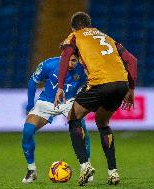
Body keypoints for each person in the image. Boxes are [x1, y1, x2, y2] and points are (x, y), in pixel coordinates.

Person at [54, 12, 137, 186]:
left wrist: (60, 87)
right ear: (89, 25)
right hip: (121, 83)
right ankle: (113, 172)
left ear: (74, 27)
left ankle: (85, 166)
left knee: (73, 117)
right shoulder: (106, 37)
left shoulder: (75, 35)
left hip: (100, 82)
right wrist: (131, 88)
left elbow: (65, 57)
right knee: (103, 123)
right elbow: (132, 60)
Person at [21, 55, 92, 183]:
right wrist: (30, 104)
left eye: (74, 60)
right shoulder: (49, 64)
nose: (71, 64)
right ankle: (31, 170)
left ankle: (86, 166)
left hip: (69, 102)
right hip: (46, 102)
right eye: (68, 60)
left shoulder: (83, 69)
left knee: (81, 130)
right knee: (27, 131)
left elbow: (91, 85)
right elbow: (33, 81)